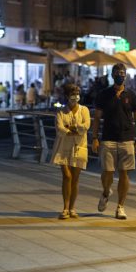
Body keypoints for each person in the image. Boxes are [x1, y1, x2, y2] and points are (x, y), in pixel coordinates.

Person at [91, 63, 136, 220]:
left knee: (124, 173)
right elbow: (97, 118)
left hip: (127, 139)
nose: (121, 75)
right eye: (118, 73)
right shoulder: (104, 94)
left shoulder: (131, 95)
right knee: (107, 172)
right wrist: (94, 138)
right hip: (108, 139)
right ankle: (106, 192)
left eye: (123, 73)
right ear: (112, 75)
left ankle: (120, 206)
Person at [51, 84, 90, 219]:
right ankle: (65, 207)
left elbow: (86, 126)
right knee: (67, 176)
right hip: (63, 147)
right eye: (73, 94)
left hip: (79, 146)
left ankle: (72, 208)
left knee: (75, 178)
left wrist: (73, 127)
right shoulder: (61, 111)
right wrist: (71, 130)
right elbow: (60, 128)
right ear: (67, 96)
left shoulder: (84, 110)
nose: (76, 96)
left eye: (77, 93)